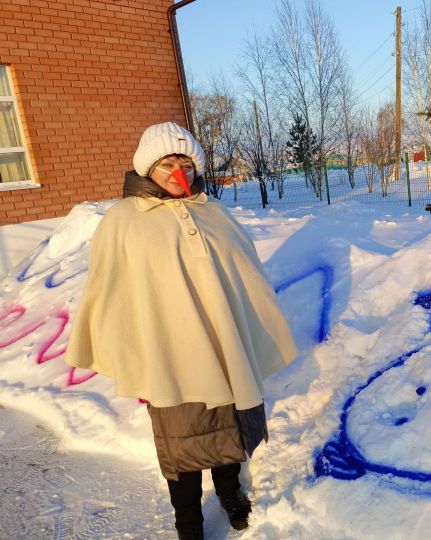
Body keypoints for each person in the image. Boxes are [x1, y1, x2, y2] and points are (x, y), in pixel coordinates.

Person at [65, 122, 298, 540]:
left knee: (227, 427)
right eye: (167, 163)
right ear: (147, 168)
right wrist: (130, 351)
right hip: (169, 354)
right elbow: (111, 289)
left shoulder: (214, 212)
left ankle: (229, 492)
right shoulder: (123, 221)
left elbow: (245, 277)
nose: (178, 172)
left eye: (186, 163)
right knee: (180, 443)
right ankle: (187, 519)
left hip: (222, 345)